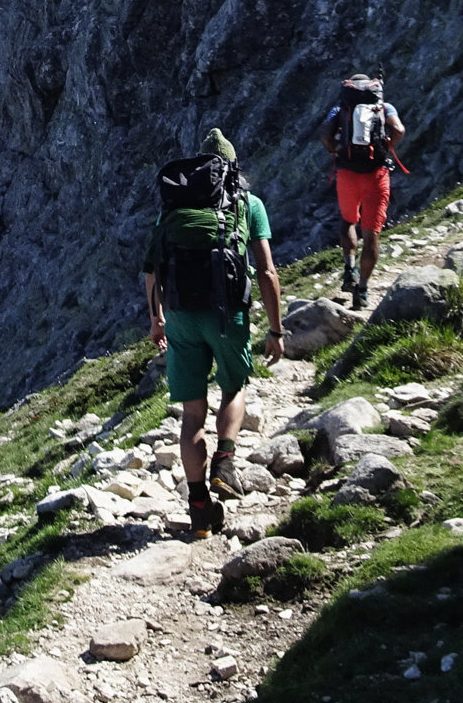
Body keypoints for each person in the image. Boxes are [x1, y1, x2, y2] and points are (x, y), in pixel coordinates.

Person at [143, 128, 285, 535]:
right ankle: (225, 459)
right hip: (228, 314)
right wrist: (276, 330)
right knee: (234, 387)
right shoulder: (249, 204)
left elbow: (152, 270)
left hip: (181, 315)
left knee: (191, 415)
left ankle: (200, 507)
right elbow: (267, 271)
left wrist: (156, 320)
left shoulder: (172, 208)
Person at [320, 74, 406, 309]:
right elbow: (399, 129)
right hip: (376, 175)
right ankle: (363, 290)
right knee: (372, 235)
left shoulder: (340, 108)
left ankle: (349, 268)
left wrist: (337, 152)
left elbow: (325, 136)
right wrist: (384, 148)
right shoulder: (385, 106)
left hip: (347, 174)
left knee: (348, 221)